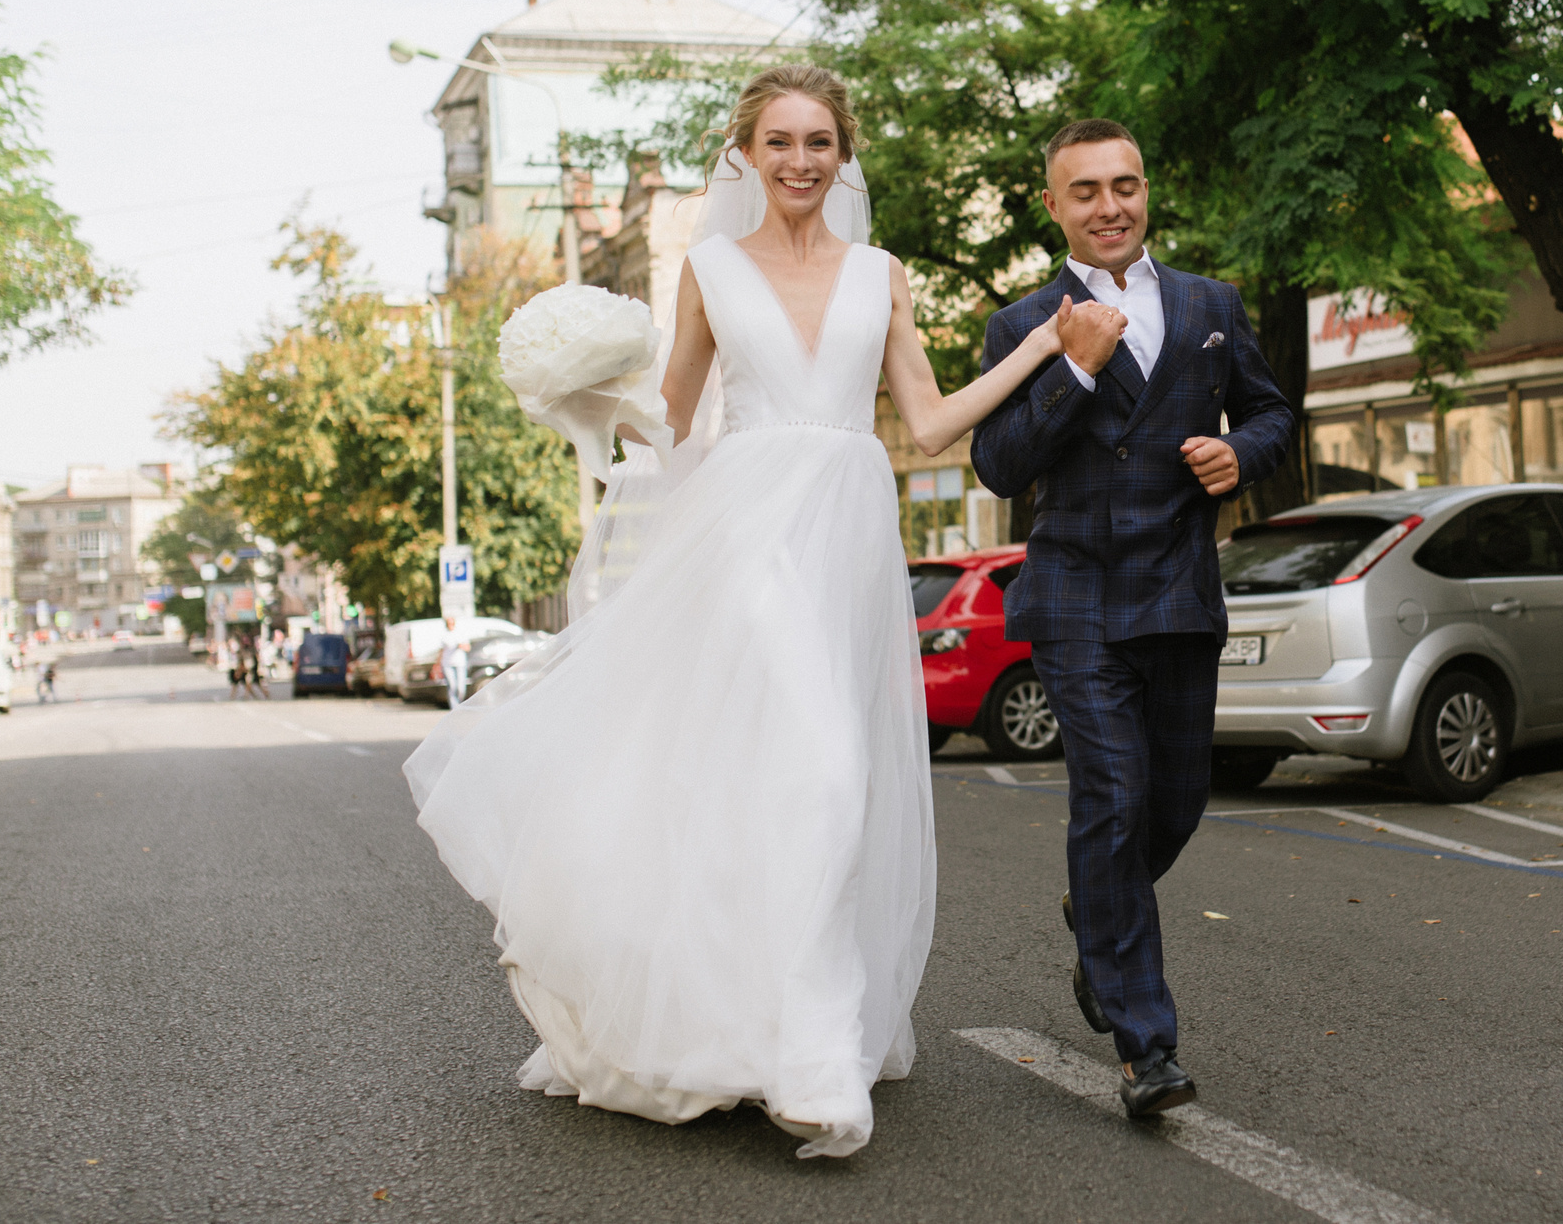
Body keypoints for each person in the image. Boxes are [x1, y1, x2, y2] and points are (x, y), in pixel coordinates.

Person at [404, 65, 1072, 1159]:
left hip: (850, 539)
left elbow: (930, 419)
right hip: (750, 533)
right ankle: (809, 1057)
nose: (800, 160)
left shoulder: (882, 274)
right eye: (779, 142)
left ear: (843, 154)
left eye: (819, 142)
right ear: (747, 154)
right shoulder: (710, 270)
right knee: (820, 770)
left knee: (801, 783)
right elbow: (671, 421)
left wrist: (1042, 347)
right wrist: (587, 398)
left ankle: (746, 1014)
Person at [969, 119, 1294, 1119]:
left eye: (1125, 185)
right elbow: (998, 463)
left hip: (1178, 584)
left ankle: (1095, 908)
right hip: (1073, 589)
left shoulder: (1209, 303)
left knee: (1178, 797)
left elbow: (1274, 411)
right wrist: (1069, 369)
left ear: (1145, 190)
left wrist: (1242, 453)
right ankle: (1146, 1045)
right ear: (1054, 206)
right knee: (1111, 797)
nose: (1108, 206)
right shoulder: (1025, 318)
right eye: (1085, 191)